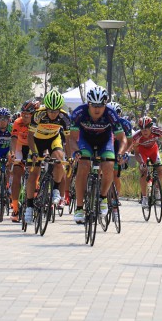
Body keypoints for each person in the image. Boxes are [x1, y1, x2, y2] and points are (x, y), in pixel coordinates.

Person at [69, 86, 127, 223]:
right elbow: (72, 138)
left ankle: (103, 197)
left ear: (105, 105)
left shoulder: (111, 114)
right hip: (85, 141)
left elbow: (122, 138)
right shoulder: (79, 112)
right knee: (83, 165)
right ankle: (79, 208)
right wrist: (76, 151)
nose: (97, 109)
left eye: (100, 106)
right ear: (88, 104)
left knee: (109, 165)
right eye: (93, 105)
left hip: (104, 142)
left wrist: (120, 153)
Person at [24, 90, 72, 225]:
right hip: (37, 141)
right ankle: (29, 207)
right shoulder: (38, 114)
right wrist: (34, 153)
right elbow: (30, 137)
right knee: (33, 174)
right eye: (50, 111)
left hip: (53, 139)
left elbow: (67, 140)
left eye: (55, 111)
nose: (52, 114)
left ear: (60, 109)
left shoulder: (64, 117)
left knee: (59, 160)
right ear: (46, 108)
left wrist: (69, 157)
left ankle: (56, 188)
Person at [131, 116, 162, 208]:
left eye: (146, 128)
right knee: (143, 171)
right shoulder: (136, 137)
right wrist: (141, 163)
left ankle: (156, 190)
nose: (144, 131)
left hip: (153, 150)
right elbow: (136, 153)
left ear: (151, 127)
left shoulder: (158, 132)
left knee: (160, 171)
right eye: (142, 129)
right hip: (142, 152)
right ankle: (144, 197)